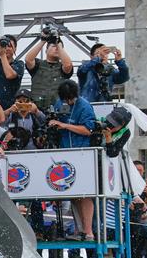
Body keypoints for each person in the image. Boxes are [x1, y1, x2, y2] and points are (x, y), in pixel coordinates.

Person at [50, 80, 97, 241]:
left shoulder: (84, 106)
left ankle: (89, 230)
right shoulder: (59, 104)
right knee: (73, 194)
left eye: (70, 99)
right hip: (65, 154)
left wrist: (65, 126)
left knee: (85, 193)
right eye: (66, 99)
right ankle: (79, 230)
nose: (68, 102)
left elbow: (88, 130)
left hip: (82, 153)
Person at [25, 35, 73, 111]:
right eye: (53, 46)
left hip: (59, 109)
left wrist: (59, 44)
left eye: (59, 47)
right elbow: (28, 59)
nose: (57, 48)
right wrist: (43, 40)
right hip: (37, 108)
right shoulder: (38, 64)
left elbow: (68, 65)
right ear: (46, 50)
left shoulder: (62, 66)